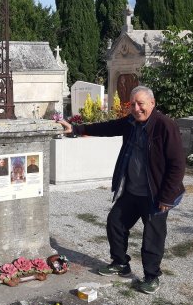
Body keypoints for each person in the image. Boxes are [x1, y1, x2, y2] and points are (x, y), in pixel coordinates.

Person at [57, 86, 185, 294]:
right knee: (115, 222)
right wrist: (76, 129)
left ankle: (151, 276)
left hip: (156, 195)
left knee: (152, 236)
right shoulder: (130, 123)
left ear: (152, 103)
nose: (136, 108)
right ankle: (120, 263)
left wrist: (167, 197)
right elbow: (107, 128)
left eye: (141, 103)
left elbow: (177, 164)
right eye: (133, 104)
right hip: (132, 190)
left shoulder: (165, 126)